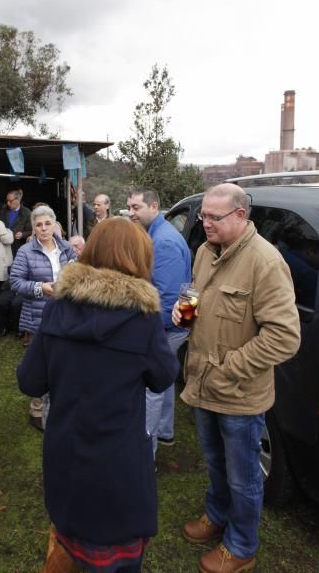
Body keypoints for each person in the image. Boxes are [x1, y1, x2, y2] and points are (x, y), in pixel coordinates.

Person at [17, 217, 180, 573]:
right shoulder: (143, 317)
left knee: (69, 535)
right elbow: (163, 377)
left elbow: (30, 381)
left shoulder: (59, 306)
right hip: (117, 460)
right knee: (114, 555)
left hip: (66, 448)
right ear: (139, 258)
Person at [172, 183, 300, 573]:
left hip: (239, 395)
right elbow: (196, 295)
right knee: (214, 462)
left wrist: (228, 370)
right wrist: (185, 312)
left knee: (243, 477)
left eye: (214, 217)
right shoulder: (205, 252)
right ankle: (217, 515)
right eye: (203, 216)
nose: (204, 223)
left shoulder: (266, 262)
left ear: (241, 216)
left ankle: (241, 545)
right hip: (202, 384)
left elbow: (285, 337)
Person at [127, 187, 191, 456]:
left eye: (136, 208)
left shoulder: (163, 241)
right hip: (173, 323)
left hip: (168, 325)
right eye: (129, 207)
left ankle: (146, 451)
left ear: (154, 207)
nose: (131, 213)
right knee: (163, 379)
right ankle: (164, 432)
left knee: (151, 385)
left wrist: (152, 331)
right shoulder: (157, 234)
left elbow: (167, 297)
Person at [10, 204, 76, 428]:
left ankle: (57, 404)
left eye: (48, 223)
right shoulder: (25, 252)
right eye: (39, 225)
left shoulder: (66, 247)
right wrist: (41, 288)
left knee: (62, 360)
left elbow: (76, 274)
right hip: (38, 315)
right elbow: (15, 282)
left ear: (55, 224)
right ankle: (37, 410)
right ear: (33, 228)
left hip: (65, 314)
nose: (44, 228)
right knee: (40, 362)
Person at [0, 189, 32, 257]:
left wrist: (22, 234)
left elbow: (31, 230)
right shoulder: (3, 211)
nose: (8, 203)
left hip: (18, 247)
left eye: (10, 201)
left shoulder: (27, 212)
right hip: (4, 246)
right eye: (7, 201)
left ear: (18, 200)